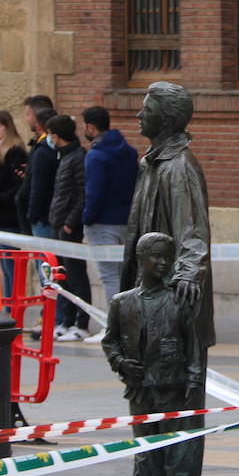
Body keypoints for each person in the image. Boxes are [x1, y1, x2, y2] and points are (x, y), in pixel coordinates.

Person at [85, 81, 213, 476]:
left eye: (146, 108)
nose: (138, 115)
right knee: (143, 406)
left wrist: (186, 278)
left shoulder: (179, 167)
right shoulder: (153, 162)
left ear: (168, 117)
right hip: (143, 304)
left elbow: (193, 231)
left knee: (178, 409)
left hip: (173, 311)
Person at [100, 232, 205, 476]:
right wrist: (120, 363)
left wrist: (193, 383)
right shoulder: (122, 302)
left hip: (172, 386)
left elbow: (193, 347)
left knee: (176, 448)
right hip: (140, 387)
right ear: (141, 259)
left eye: (166, 258)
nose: (162, 263)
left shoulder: (177, 301)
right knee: (148, 451)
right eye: (155, 256)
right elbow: (110, 342)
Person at [81, 105, 138, 342]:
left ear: (91, 127)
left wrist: (87, 219)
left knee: (109, 275)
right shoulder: (129, 152)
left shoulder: (96, 156)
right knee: (127, 274)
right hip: (127, 219)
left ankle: (114, 327)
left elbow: (94, 192)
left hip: (103, 222)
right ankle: (129, 324)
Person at [46, 114, 91, 341]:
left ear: (56, 135)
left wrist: (70, 223)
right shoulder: (63, 157)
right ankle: (66, 321)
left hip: (67, 227)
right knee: (61, 276)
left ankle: (81, 323)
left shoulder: (77, 157)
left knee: (76, 276)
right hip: (58, 224)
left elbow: (81, 194)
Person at [0, 109, 29, 298]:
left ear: (8, 127)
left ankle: (13, 304)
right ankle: (9, 302)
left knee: (11, 264)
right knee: (3, 265)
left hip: (9, 215)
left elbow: (18, 184)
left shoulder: (14, 150)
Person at [16, 97, 56, 235]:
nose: (26, 119)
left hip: (43, 217)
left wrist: (32, 215)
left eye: (28, 114)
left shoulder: (46, 148)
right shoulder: (39, 145)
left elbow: (40, 186)